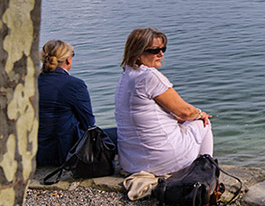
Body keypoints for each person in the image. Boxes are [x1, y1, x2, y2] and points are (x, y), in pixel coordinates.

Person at [115, 27, 213, 176]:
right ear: (138, 52)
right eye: (155, 51)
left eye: (163, 49)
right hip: (161, 160)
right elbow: (185, 111)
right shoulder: (149, 76)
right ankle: (206, 171)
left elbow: (150, 113)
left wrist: (178, 118)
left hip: (131, 162)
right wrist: (200, 114)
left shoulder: (127, 76)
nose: (161, 54)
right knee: (203, 123)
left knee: (184, 122)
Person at [37, 40, 96, 166]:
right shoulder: (74, 85)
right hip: (64, 154)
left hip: (35, 153)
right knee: (117, 135)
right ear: (68, 60)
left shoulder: (30, 82)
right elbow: (89, 123)